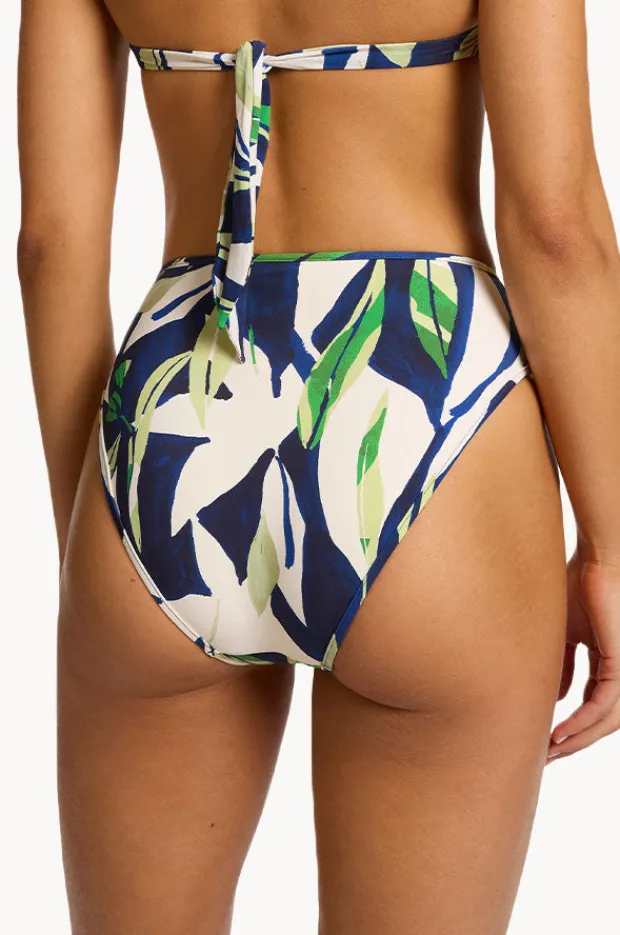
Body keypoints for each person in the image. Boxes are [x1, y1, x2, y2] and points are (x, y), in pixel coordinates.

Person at [17, 0, 620, 931]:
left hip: (174, 418)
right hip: (423, 395)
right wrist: (610, 544)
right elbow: (555, 226)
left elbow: (49, 242)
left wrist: (97, 538)